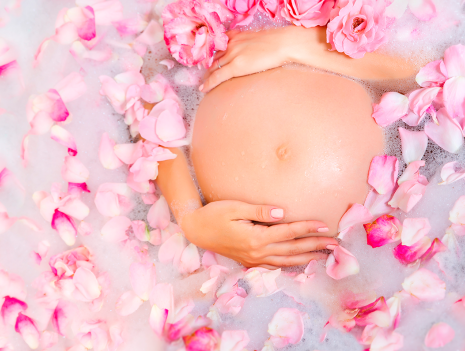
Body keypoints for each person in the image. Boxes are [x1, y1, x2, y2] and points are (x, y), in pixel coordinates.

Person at [155, 25, 421, 270]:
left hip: (356, 255)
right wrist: (191, 221)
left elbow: (435, 69)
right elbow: (147, 86)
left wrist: (292, 43)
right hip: (237, 252)